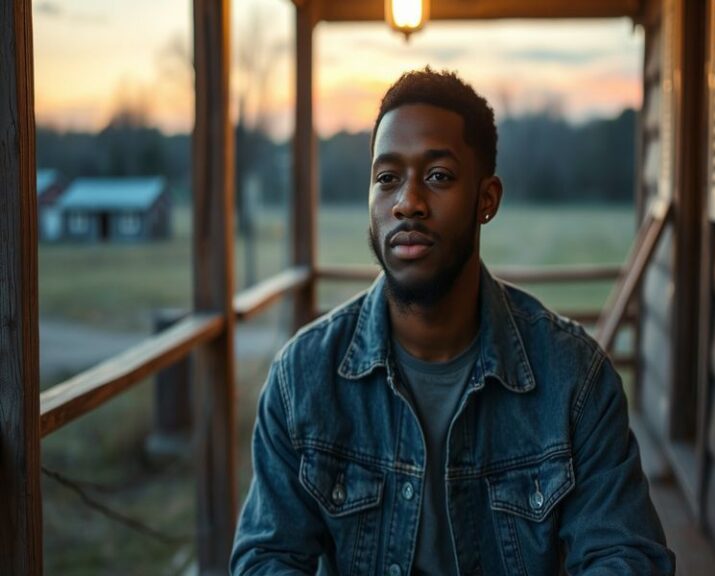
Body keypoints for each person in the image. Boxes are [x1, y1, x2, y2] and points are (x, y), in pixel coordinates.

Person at [231, 67, 675, 575]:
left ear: (487, 200)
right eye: (387, 178)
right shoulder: (303, 377)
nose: (407, 203)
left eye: (438, 176)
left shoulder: (574, 379)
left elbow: (628, 558)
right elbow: (265, 558)